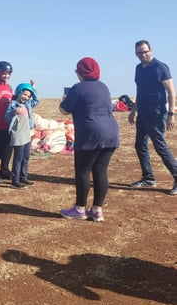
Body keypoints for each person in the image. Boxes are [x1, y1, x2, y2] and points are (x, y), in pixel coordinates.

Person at [58, 57, 119, 221]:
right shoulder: (104, 87)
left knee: (83, 171)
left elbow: (63, 110)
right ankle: (97, 210)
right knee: (100, 171)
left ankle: (80, 209)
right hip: (111, 132)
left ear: (81, 72)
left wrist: (64, 100)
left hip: (90, 134)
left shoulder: (78, 88)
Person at [128, 40, 177, 195]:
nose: (143, 55)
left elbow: (171, 92)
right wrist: (133, 111)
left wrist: (171, 114)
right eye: (140, 52)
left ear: (151, 50)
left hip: (156, 114)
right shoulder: (138, 69)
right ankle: (148, 177)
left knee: (159, 145)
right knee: (140, 145)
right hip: (142, 113)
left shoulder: (160, 67)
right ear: (136, 54)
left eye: (145, 51)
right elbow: (140, 91)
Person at [4, 81, 40, 189]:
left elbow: (36, 100)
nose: (26, 97)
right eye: (24, 94)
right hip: (18, 135)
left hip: (26, 134)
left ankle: (23, 176)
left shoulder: (28, 104)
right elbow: (6, 118)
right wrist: (14, 112)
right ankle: (15, 180)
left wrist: (33, 88)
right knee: (18, 158)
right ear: (19, 92)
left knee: (26, 157)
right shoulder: (13, 105)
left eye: (28, 96)